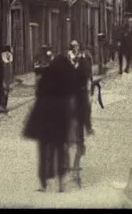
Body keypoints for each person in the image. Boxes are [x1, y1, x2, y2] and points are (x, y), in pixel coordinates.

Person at [23, 54, 74, 192]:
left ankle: (44, 181)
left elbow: (39, 96)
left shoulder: (45, 79)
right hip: (60, 121)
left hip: (44, 120)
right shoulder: (66, 82)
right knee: (60, 149)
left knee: (44, 151)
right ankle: (61, 181)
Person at [65, 50, 92, 187]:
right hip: (76, 119)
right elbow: (86, 109)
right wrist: (88, 126)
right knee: (77, 145)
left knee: (68, 144)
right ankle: (75, 173)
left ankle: (68, 170)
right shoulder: (82, 88)